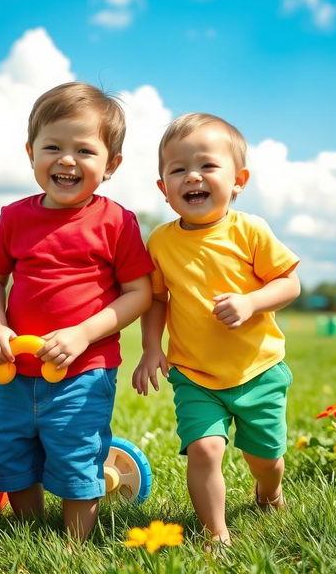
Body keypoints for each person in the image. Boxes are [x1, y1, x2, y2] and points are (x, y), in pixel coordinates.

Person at [0, 82, 153, 540]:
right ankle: (31, 532)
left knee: (77, 452)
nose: (67, 160)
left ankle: (76, 545)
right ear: (30, 152)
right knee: (11, 452)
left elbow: (139, 293)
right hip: (15, 369)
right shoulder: (14, 217)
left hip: (83, 369)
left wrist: (82, 334)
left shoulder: (116, 221)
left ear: (111, 164)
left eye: (84, 150)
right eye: (52, 146)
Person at [132, 113, 300, 545]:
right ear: (163, 187)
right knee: (205, 450)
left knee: (264, 458)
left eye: (207, 166)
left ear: (238, 179)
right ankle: (216, 535)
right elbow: (156, 298)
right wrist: (152, 347)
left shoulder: (250, 231)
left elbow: (289, 283)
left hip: (256, 369)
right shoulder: (161, 241)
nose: (193, 177)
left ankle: (269, 490)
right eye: (178, 169)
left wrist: (251, 302)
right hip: (195, 374)